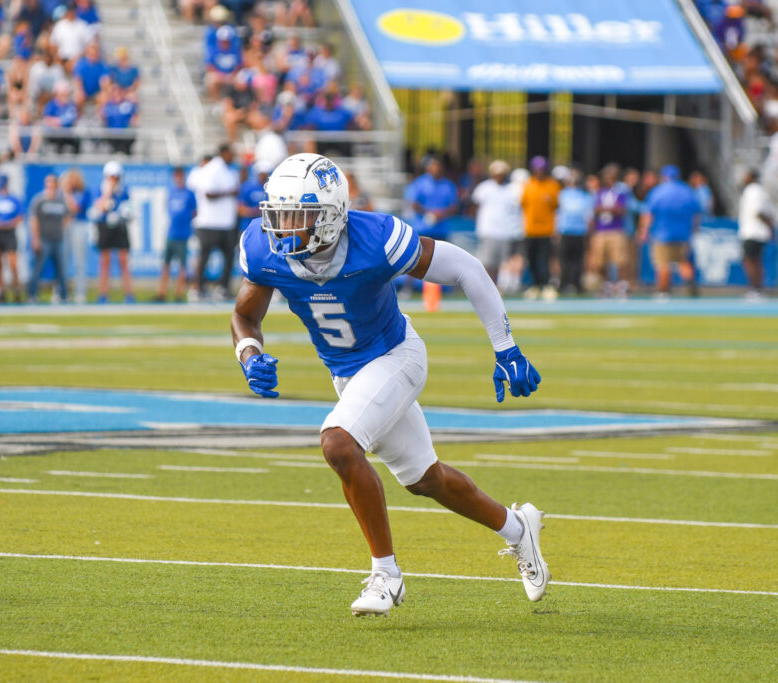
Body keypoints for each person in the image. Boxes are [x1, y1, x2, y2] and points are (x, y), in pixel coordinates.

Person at [231, 152, 549, 616]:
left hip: (395, 355)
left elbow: (465, 269)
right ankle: (520, 530)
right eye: (278, 215)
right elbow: (245, 315)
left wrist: (506, 347)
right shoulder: (263, 248)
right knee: (426, 480)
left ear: (333, 214)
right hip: (347, 372)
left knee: (338, 444)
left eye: (298, 216)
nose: (284, 228)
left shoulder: (375, 238)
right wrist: (249, 352)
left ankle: (387, 575)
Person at [639, 166, 702, 298]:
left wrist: (643, 231)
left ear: (663, 177)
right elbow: (696, 215)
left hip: (662, 234)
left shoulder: (658, 191)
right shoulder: (687, 191)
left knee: (662, 263)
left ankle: (663, 291)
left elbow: (648, 214)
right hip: (683, 234)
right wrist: (694, 229)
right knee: (683, 261)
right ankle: (690, 282)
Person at [187, 144, 240, 299]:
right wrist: (230, 192)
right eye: (231, 153)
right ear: (224, 153)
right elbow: (208, 194)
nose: (233, 156)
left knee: (229, 258)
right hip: (209, 222)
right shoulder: (212, 169)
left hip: (226, 222)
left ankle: (222, 288)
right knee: (204, 257)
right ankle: (197, 288)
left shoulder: (227, 170)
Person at [90, 161, 134, 303]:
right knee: (104, 261)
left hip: (120, 227)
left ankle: (129, 294)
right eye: (111, 176)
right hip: (105, 226)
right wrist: (108, 193)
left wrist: (123, 213)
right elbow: (100, 207)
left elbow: (129, 209)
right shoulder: (101, 189)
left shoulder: (124, 190)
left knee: (123, 261)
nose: (114, 179)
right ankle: (103, 293)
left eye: (116, 176)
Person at [472, 160, 522, 284]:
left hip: (505, 231)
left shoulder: (512, 189)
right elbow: (474, 206)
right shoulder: (484, 188)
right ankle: (489, 285)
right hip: (488, 230)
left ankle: (500, 287)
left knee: (503, 263)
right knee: (488, 263)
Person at [519, 156, 560, 300]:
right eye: (537, 169)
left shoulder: (552, 185)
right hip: (530, 229)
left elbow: (557, 207)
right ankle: (535, 286)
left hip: (546, 230)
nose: (539, 172)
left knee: (544, 259)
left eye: (541, 169)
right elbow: (523, 205)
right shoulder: (528, 185)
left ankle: (546, 285)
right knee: (531, 258)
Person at [27, 174, 71, 303]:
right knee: (38, 267)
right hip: (44, 239)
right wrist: (35, 238)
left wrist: (61, 227)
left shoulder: (60, 200)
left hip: (58, 239)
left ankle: (63, 295)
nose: (51, 186)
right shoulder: (40, 200)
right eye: (49, 183)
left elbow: (69, 214)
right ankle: (32, 294)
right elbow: (33, 220)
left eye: (53, 183)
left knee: (61, 269)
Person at [156, 166, 196, 302]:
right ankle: (162, 293)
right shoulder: (171, 192)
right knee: (166, 264)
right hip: (171, 233)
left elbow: (195, 211)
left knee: (182, 265)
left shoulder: (189, 193)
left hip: (183, 234)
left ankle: (179, 293)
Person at [590, 164, 630, 299]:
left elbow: (621, 210)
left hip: (616, 230)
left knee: (620, 261)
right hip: (601, 231)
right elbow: (595, 209)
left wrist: (605, 208)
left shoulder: (621, 192)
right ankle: (606, 286)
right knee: (600, 261)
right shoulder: (599, 192)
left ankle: (622, 286)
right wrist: (609, 208)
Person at [737, 169, 776, 300]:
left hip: (753, 231)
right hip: (756, 231)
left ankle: (756, 289)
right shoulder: (759, 191)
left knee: (750, 261)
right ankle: (757, 288)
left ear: (752, 177)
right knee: (755, 261)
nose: (744, 178)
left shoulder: (753, 191)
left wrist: (770, 228)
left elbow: (758, 212)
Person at [555, 168, 593, 295]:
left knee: (578, 260)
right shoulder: (563, 194)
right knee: (565, 259)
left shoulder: (585, 196)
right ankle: (564, 283)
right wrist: (557, 230)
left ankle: (576, 284)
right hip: (566, 230)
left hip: (579, 231)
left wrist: (588, 232)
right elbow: (558, 213)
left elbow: (588, 216)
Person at [404, 156, 458, 241]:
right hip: (422, 230)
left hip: (441, 231)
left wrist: (440, 214)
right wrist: (428, 213)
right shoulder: (419, 183)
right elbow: (413, 203)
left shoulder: (448, 185)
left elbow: (453, 206)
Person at [61, 169, 92, 304]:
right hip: (65, 226)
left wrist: (66, 193)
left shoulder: (82, 192)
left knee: (79, 262)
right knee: (62, 261)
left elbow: (75, 208)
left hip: (79, 225)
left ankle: (80, 292)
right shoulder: (62, 194)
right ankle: (61, 291)